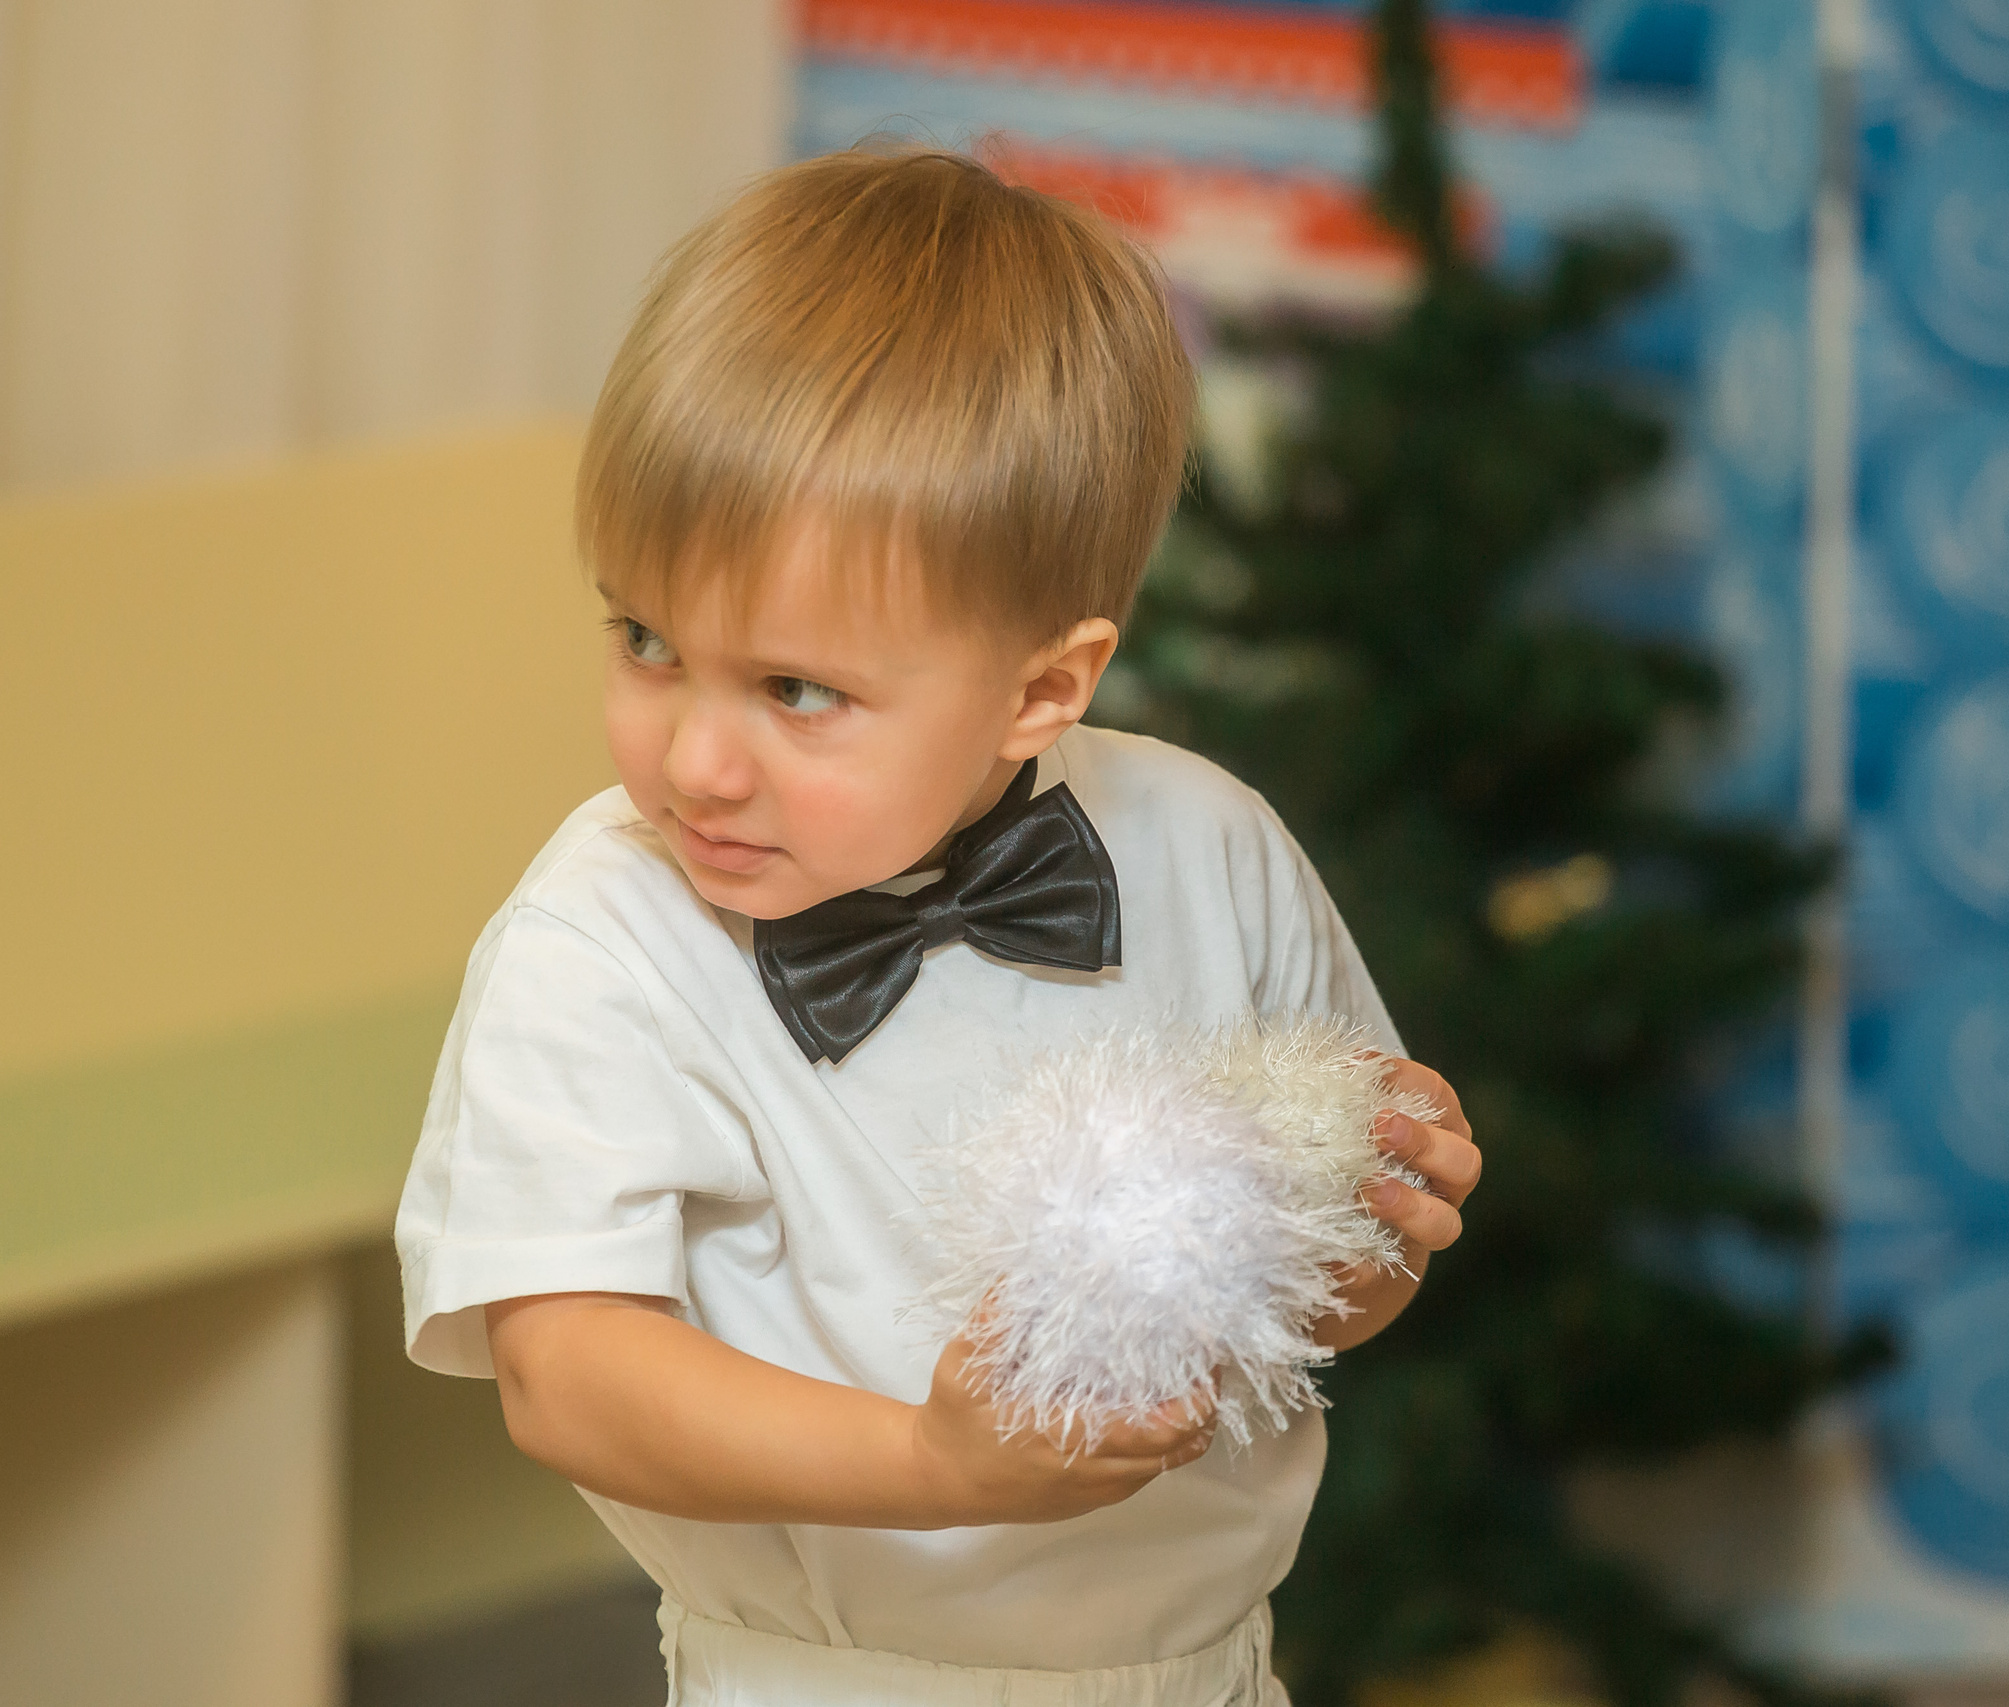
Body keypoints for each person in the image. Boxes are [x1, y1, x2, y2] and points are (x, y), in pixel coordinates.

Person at [393, 143, 1482, 1706]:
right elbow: (567, 1380)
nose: (692, 758)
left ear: (1044, 687)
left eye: (797, 691)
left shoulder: (1209, 847)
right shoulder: (602, 935)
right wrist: (936, 1461)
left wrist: (1381, 1219)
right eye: (646, 640)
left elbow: (1310, 1304)